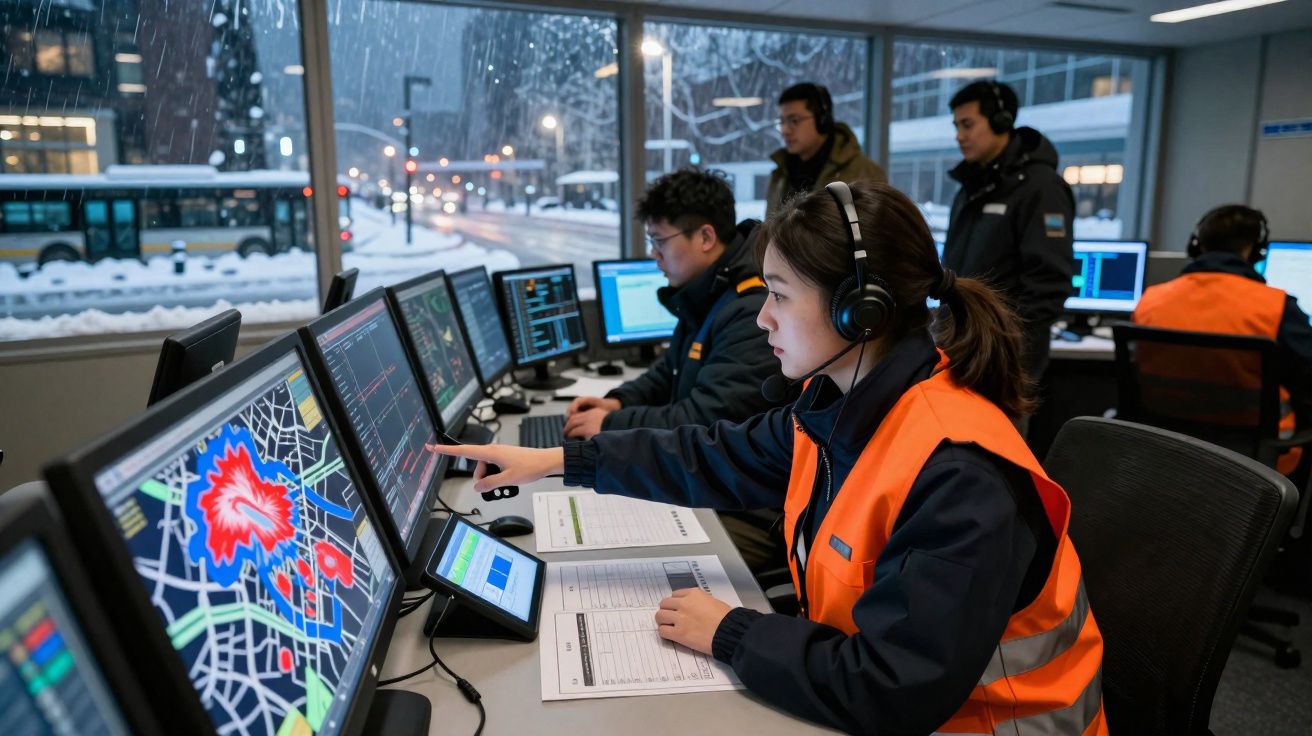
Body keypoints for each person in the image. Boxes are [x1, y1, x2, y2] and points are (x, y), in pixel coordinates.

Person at [433, 180, 1107, 735]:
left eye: (780, 296)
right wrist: (558, 462)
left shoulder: (959, 474)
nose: (762, 319)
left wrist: (731, 632)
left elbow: (890, 688)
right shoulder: (841, 408)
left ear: (858, 313)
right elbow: (712, 455)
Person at [563, 168, 783, 441]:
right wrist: (619, 401)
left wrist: (610, 423)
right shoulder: (709, 292)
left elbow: (705, 419)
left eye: (659, 241)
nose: (654, 254)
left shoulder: (750, 310)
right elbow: (671, 371)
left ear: (705, 237)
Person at [1134, 204, 1312, 476]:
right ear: (1256, 250)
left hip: (1165, 444)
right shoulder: (1276, 307)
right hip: (1255, 456)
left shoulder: (1151, 299)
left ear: (1196, 246)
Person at [944, 80, 1074, 386]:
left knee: (996, 434)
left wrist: (1006, 345)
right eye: (956, 126)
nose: (959, 136)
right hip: (960, 346)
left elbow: (1047, 285)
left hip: (1003, 357)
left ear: (1001, 121)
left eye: (967, 125)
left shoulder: (1040, 189)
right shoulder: (972, 186)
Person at [764, 82, 885, 218]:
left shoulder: (864, 172)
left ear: (822, 120)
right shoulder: (780, 174)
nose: (785, 130)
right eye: (782, 122)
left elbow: (876, 234)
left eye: (794, 120)